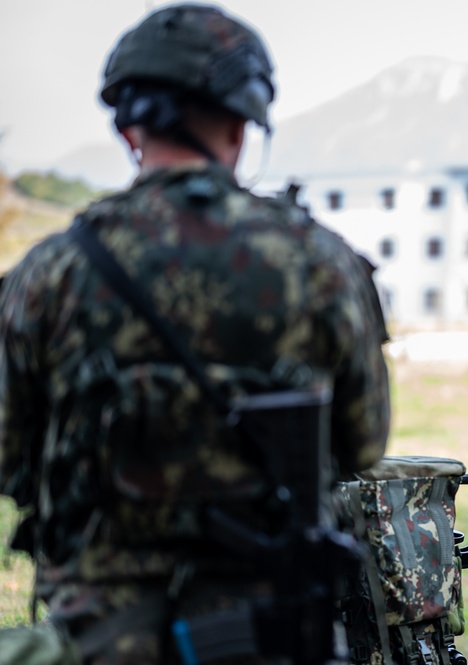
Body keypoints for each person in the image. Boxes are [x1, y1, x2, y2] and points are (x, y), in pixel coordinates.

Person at [0, 4, 390, 664]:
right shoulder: (321, 262)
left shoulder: (50, 273)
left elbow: (12, 459)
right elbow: (362, 443)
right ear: (243, 124)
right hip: (271, 628)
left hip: (99, 633)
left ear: (128, 128)